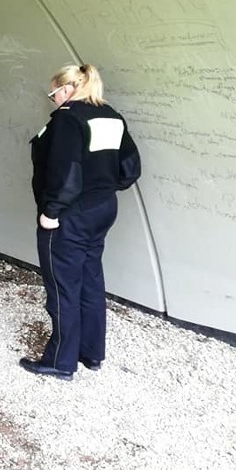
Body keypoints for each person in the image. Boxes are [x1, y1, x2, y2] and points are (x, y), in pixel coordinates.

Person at [22, 63, 141, 381]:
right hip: (102, 210)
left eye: (53, 93)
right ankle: (91, 353)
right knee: (90, 279)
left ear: (67, 88)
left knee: (63, 285)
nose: (53, 100)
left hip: (70, 215)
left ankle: (61, 362)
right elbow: (130, 167)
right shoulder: (111, 116)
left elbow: (67, 172)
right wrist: (101, 186)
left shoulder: (68, 120)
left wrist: (51, 212)